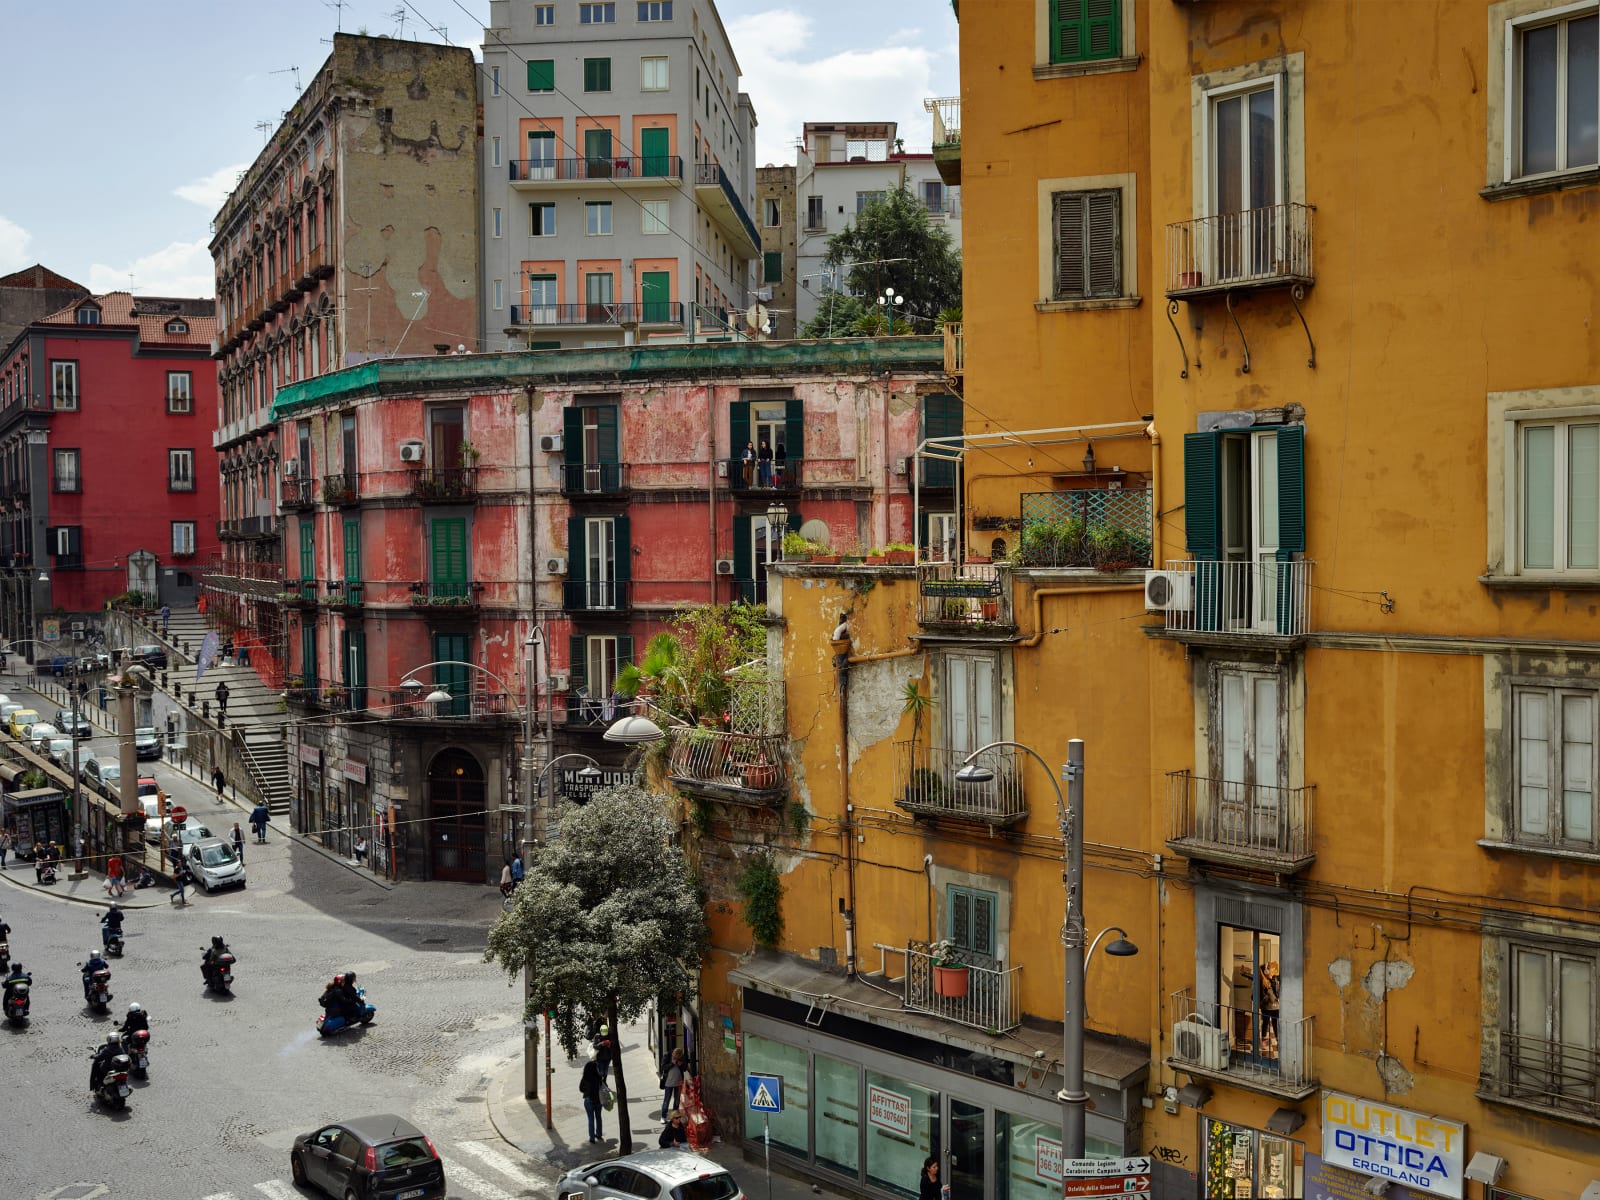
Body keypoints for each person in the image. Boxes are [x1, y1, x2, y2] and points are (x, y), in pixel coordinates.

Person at [579, 1052, 605, 1143]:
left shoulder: (585, 1078)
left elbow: (581, 1089)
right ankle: (599, 1134)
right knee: (598, 1117)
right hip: (598, 1100)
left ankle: (592, 1138)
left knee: (590, 1118)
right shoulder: (598, 1078)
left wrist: (586, 1091)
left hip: (589, 1100)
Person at [660, 1047, 687, 1119]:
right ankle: (663, 1116)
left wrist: (681, 1065)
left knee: (677, 1100)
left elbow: (685, 1068)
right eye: (675, 1056)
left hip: (678, 1083)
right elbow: (663, 1067)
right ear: (673, 1053)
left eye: (678, 1057)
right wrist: (672, 1064)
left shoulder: (681, 1058)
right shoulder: (667, 1056)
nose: (676, 1058)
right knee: (667, 1100)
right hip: (668, 1083)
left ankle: (675, 1117)